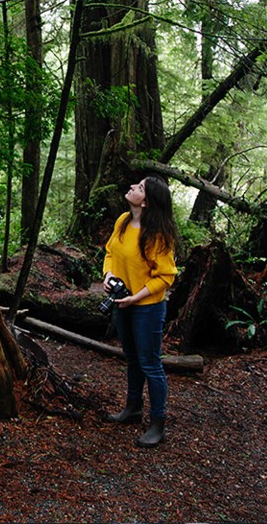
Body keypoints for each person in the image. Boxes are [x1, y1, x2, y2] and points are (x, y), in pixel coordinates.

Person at [102, 175, 178, 448]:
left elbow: (165, 277)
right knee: (132, 358)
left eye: (140, 187)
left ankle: (158, 423)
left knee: (150, 364)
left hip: (147, 308)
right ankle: (132, 408)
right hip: (123, 304)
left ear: (146, 202)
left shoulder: (158, 236)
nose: (133, 186)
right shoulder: (123, 221)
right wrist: (108, 275)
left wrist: (137, 297)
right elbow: (110, 252)